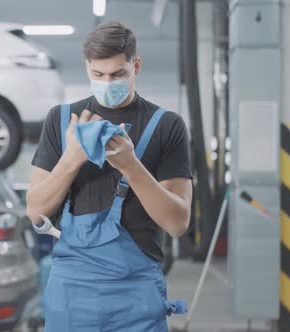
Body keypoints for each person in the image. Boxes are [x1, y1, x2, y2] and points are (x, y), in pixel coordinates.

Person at [26, 21, 193, 331]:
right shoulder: (61, 120)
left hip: (136, 297)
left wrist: (131, 166)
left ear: (136, 65)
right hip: (71, 295)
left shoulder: (166, 126)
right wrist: (72, 158)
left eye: (117, 74)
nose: (107, 82)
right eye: (98, 75)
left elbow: (177, 222)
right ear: (87, 68)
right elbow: (35, 211)